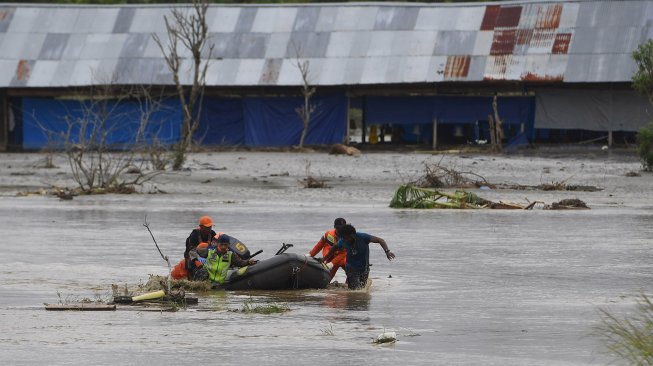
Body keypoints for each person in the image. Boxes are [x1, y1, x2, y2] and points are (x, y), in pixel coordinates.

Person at [321, 224, 395, 290]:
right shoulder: (343, 241)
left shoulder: (363, 237)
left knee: (363, 289)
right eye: (343, 238)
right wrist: (324, 259)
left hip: (364, 267)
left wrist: (387, 252)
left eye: (346, 238)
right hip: (351, 268)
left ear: (353, 235)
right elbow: (334, 247)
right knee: (355, 290)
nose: (345, 240)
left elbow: (380, 240)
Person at [183, 215, 216, 281]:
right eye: (207, 227)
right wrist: (197, 260)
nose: (209, 229)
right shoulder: (194, 235)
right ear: (201, 227)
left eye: (210, 227)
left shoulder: (213, 234)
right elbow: (191, 251)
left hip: (207, 257)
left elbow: (216, 247)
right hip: (193, 257)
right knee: (191, 265)